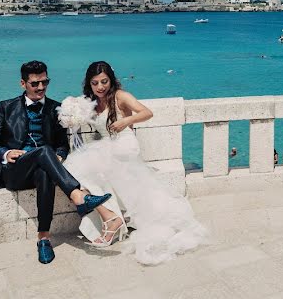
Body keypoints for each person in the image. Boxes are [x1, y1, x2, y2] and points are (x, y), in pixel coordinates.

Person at [64, 61, 207, 264]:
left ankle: (112, 219)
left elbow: (147, 112)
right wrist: (73, 116)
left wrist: (125, 121)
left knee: (89, 165)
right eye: (95, 83)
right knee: (77, 168)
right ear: (89, 84)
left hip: (124, 144)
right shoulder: (91, 101)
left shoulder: (120, 96)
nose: (100, 87)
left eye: (104, 82)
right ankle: (111, 217)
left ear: (111, 80)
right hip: (106, 145)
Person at [0, 60, 112, 264]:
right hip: (15, 171)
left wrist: (59, 156)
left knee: (45, 168)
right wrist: (6, 152)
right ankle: (78, 196)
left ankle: (44, 239)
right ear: (23, 84)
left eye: (45, 82)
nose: (41, 88)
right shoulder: (5, 107)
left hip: (42, 169)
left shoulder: (56, 108)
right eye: (35, 84)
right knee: (44, 151)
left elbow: (63, 145)